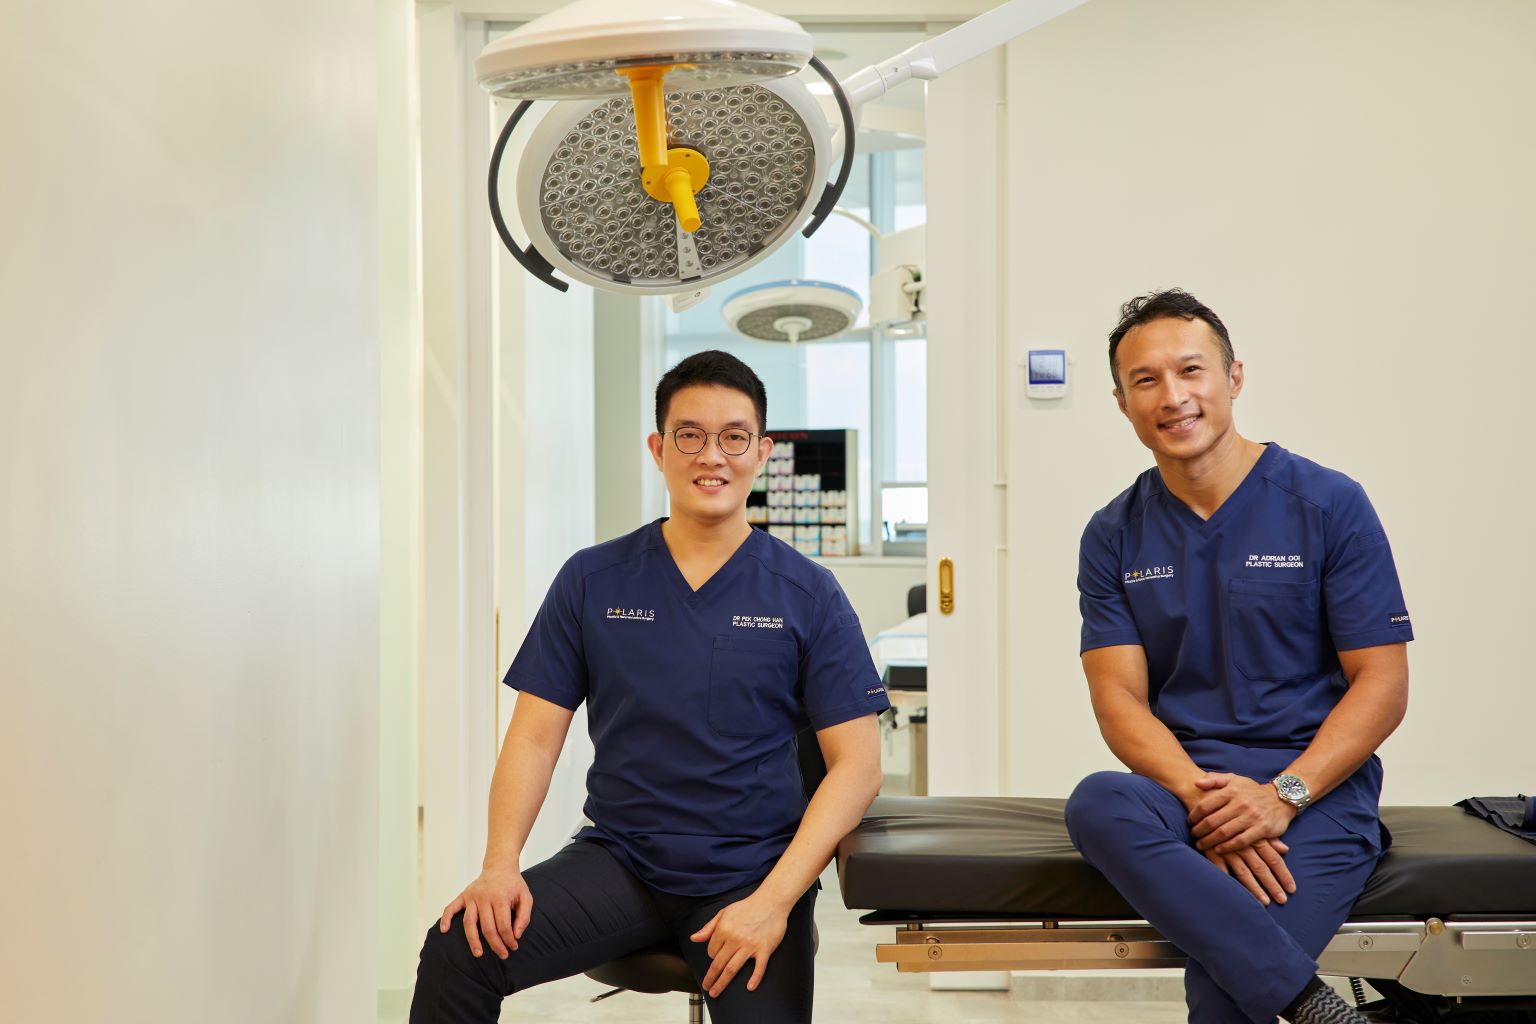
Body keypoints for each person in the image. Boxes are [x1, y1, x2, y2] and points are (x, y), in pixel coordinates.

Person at [410, 350, 890, 1023]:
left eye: (734, 437)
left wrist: (775, 901)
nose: (711, 456)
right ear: (659, 449)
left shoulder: (808, 593)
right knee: (459, 948)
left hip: (750, 872)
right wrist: (499, 865)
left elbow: (858, 766)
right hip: (621, 861)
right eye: (690, 436)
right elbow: (534, 739)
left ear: (761, 453)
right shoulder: (592, 580)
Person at [1064, 290, 1412, 1024]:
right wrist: (1205, 804)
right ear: (1122, 404)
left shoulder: (1329, 504)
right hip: (1184, 790)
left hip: (1317, 792)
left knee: (1223, 995)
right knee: (1098, 802)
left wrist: (1280, 796)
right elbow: (1118, 700)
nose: (1172, 396)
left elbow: (1381, 682)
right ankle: (1315, 1005)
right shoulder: (1113, 534)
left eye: (1191, 370)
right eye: (1146, 380)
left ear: (1234, 377)